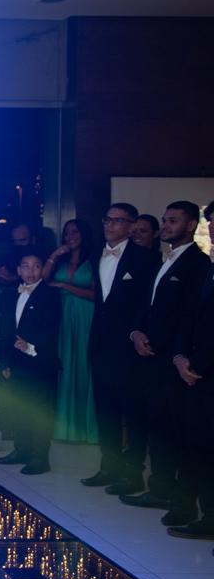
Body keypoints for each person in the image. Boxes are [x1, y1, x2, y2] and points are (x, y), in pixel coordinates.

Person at [121, 203, 207, 520]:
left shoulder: (198, 263)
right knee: (159, 427)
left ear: (191, 225)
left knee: (178, 432)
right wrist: (135, 332)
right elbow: (148, 303)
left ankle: (179, 497)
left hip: (172, 358)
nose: (166, 225)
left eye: (173, 221)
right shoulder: (163, 259)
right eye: (165, 220)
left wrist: (155, 341)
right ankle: (159, 488)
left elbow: (186, 314)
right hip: (149, 356)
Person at [82, 202, 156, 492]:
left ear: (131, 225)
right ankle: (108, 466)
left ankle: (133, 471)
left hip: (128, 346)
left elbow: (145, 303)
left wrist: (138, 333)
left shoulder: (146, 258)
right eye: (107, 219)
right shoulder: (96, 253)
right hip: (100, 343)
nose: (109, 225)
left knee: (134, 410)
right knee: (106, 410)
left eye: (116, 221)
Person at [169, 200, 214, 540]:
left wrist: (195, 363)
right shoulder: (209, 267)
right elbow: (188, 315)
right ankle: (208, 516)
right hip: (195, 371)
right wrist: (181, 356)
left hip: (206, 369)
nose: (212, 229)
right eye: (211, 223)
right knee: (199, 447)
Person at [0, 250, 61, 475]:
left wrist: (31, 346)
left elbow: (52, 329)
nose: (30, 271)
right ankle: (21, 450)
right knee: (19, 408)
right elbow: (7, 332)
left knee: (40, 411)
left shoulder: (51, 294)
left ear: (42, 269)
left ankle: (40, 457)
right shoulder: (11, 294)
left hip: (41, 361)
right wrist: (6, 362)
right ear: (18, 269)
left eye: (35, 266)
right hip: (17, 362)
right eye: (25, 266)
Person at [44, 219, 98, 443]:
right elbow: (43, 280)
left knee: (85, 369)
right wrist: (55, 255)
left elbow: (97, 295)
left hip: (87, 317)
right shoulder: (61, 260)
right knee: (65, 368)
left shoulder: (95, 259)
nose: (70, 236)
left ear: (84, 234)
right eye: (66, 233)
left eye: (75, 232)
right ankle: (65, 430)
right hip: (63, 319)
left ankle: (89, 430)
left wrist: (65, 286)